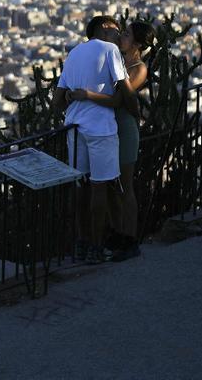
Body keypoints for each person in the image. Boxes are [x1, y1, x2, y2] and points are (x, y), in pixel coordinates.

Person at [68, 19, 155, 261]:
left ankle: (130, 241)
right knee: (110, 188)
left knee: (125, 187)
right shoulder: (113, 57)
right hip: (106, 128)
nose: (121, 36)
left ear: (136, 43)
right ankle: (117, 237)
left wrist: (87, 95)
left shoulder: (138, 69)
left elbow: (118, 100)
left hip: (123, 129)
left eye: (126, 34)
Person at [50, 14, 131, 264]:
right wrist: (136, 112)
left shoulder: (74, 54)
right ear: (105, 28)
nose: (120, 36)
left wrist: (73, 101)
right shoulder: (109, 50)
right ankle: (98, 246)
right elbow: (124, 90)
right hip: (100, 128)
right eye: (117, 31)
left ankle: (82, 242)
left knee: (81, 188)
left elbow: (56, 103)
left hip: (74, 128)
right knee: (100, 187)